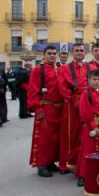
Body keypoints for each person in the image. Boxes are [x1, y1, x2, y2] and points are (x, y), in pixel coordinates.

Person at [28, 45, 64, 177]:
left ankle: (50, 162)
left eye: (54, 53)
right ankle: (41, 164)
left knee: (56, 138)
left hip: (59, 108)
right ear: (44, 55)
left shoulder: (59, 69)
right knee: (44, 138)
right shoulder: (38, 70)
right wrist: (37, 108)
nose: (53, 55)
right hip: (46, 107)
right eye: (50, 53)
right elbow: (32, 90)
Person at [75, 70, 99, 187]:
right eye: (94, 80)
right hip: (92, 127)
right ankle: (83, 175)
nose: (96, 82)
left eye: (98, 80)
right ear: (89, 80)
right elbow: (84, 112)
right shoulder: (86, 94)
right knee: (88, 151)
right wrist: (93, 126)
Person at [57, 43, 90, 173]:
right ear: (72, 52)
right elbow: (62, 87)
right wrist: (74, 100)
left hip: (88, 103)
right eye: (77, 50)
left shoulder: (90, 67)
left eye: (82, 50)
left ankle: (82, 161)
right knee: (70, 133)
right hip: (72, 105)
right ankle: (66, 163)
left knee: (85, 133)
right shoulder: (65, 68)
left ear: (85, 52)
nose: (79, 53)